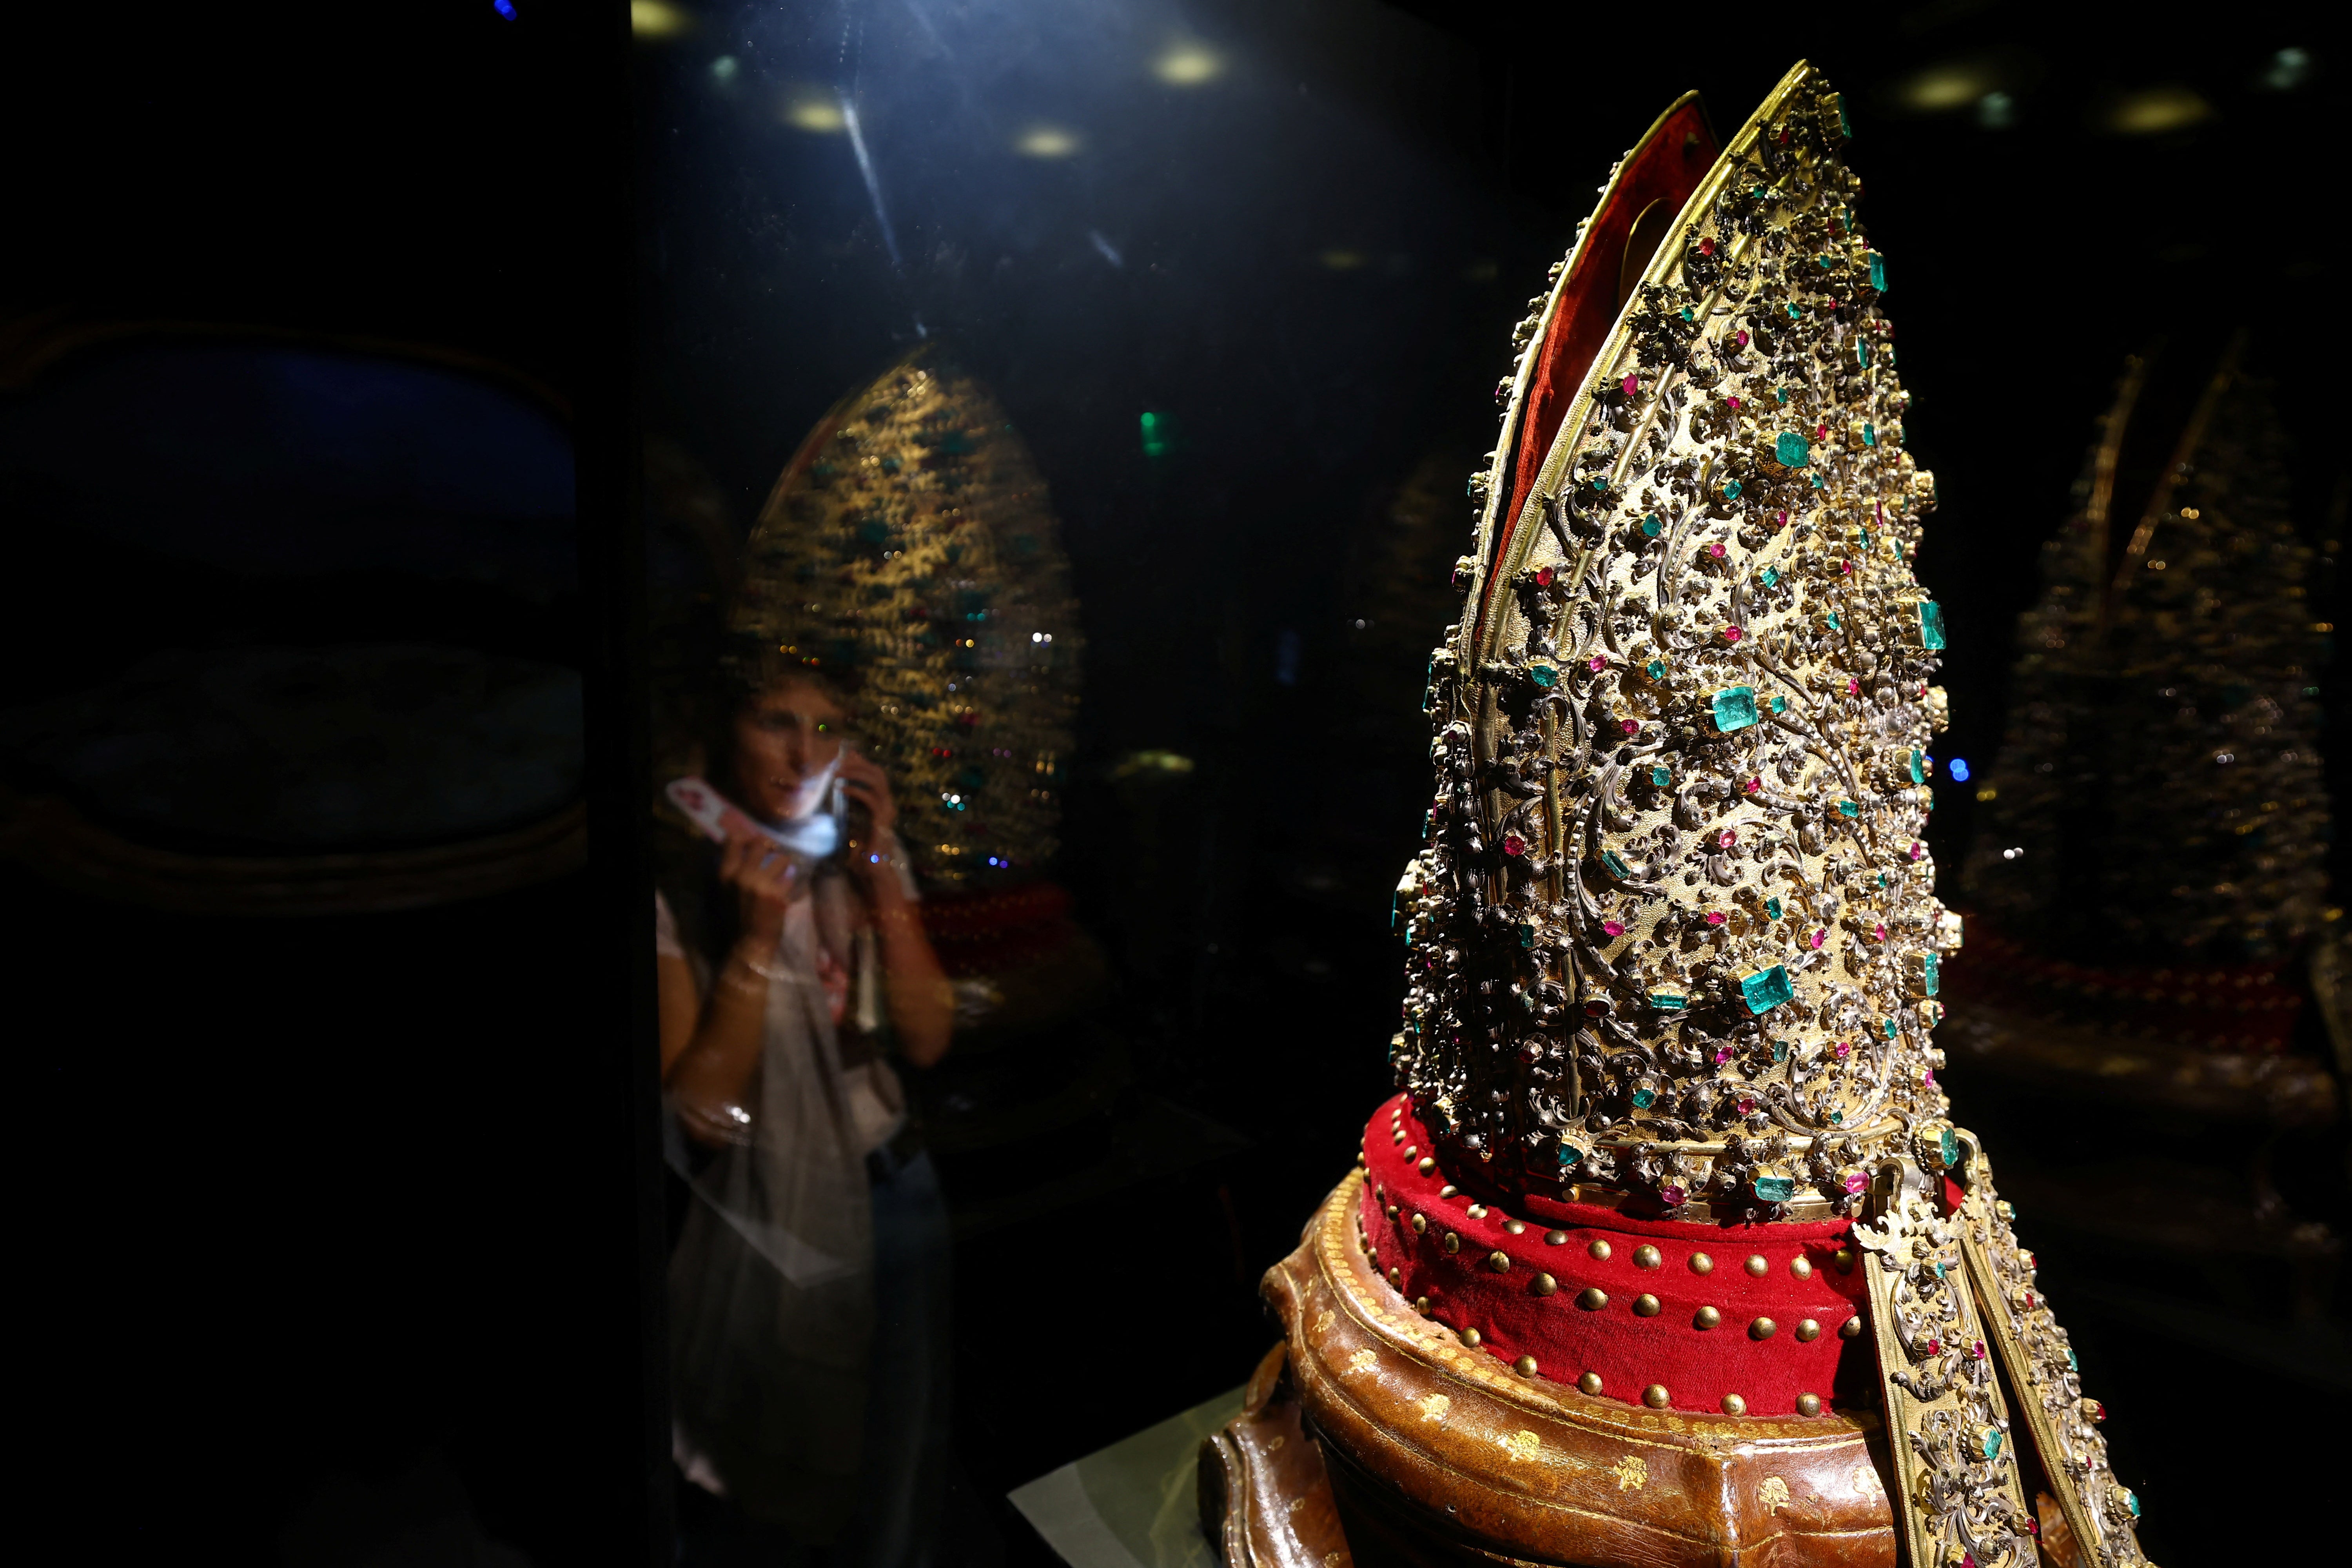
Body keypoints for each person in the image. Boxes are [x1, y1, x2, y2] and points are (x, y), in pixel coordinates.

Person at [653, 665, 955, 1568]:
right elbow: (699, 1112)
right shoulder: (677, 885)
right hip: (766, 1212)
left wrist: (884, 873)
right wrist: (754, 941)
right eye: (776, 720)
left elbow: (928, 1035)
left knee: (896, 1456)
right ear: (725, 730)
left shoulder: (857, 858)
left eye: (831, 728)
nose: (804, 753)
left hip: (896, 1185)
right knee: (772, 1469)